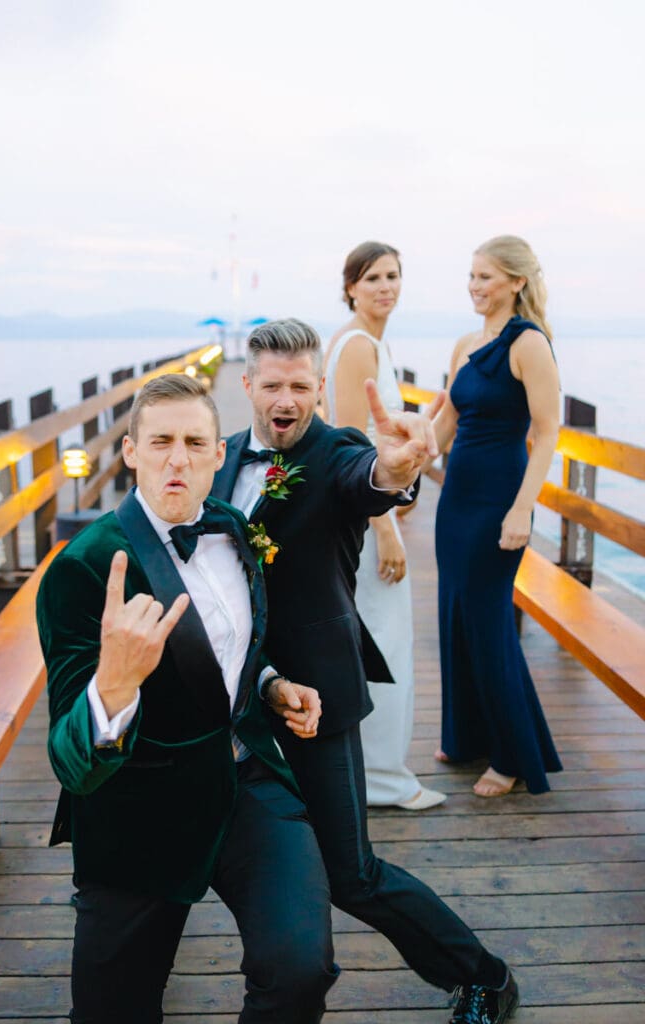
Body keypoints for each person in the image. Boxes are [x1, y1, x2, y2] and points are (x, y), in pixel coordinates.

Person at [212, 319, 519, 1024]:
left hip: (321, 692)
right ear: (247, 386)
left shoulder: (341, 450)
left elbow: (371, 480)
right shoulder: (222, 456)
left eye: (299, 385)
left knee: (351, 875)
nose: (284, 398)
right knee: (205, 842)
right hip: (238, 701)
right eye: (271, 385)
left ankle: (484, 976)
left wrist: (396, 470)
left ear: (319, 388)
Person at [37, 374, 338, 1024]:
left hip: (245, 780)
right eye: (162, 441)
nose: (179, 458)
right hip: (140, 807)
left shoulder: (232, 527)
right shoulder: (86, 569)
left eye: (195, 442)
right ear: (131, 452)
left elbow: (229, 645)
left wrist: (268, 685)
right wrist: (112, 687)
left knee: (299, 970)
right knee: (110, 1012)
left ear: (219, 454)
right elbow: (69, 761)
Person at [433, 235, 563, 797]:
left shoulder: (528, 343)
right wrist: (399, 467)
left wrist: (522, 510)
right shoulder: (465, 344)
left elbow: (548, 432)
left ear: (516, 282)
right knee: (454, 616)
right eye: (471, 275)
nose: (474, 286)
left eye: (485, 276)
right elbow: (442, 427)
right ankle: (465, 737)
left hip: (498, 500)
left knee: (488, 626)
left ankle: (511, 756)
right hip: (456, 496)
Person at [323, 240, 445, 810]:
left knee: (380, 637)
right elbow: (351, 447)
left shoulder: (374, 343)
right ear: (350, 286)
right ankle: (381, 780)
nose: (384, 286)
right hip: (367, 517)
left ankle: (374, 773)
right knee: (383, 639)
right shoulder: (355, 347)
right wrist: (387, 526)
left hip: (376, 506)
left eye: (393, 275)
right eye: (372, 277)